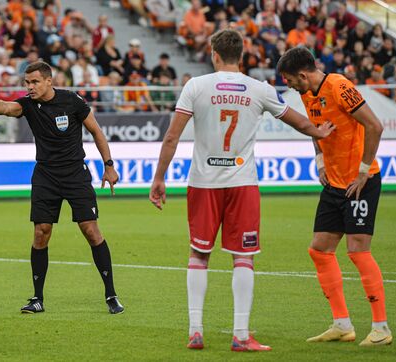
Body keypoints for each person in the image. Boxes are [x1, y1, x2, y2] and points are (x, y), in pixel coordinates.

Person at [149, 30, 334, 352]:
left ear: (214, 54)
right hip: (242, 182)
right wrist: (320, 130)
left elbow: (171, 138)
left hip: (203, 183)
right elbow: (299, 123)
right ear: (242, 55)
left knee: (198, 254)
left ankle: (195, 331)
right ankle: (241, 334)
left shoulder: (196, 86)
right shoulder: (259, 89)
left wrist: (159, 179)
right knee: (243, 257)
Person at [0, 60, 124, 315]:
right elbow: (8, 109)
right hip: (45, 176)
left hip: (76, 174)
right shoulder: (28, 105)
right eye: (27, 83)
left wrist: (109, 165)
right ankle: (37, 299)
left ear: (48, 81)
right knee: (41, 233)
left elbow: (97, 132)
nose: (30, 87)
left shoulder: (72, 101)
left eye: (34, 82)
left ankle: (111, 294)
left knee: (91, 230)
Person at [277, 46, 391, 346]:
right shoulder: (307, 93)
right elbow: (317, 129)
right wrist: (319, 161)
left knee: (357, 251)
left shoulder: (340, 86)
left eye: (289, 79)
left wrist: (364, 171)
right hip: (334, 184)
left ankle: (381, 328)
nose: (288, 85)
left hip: (359, 183)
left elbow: (375, 126)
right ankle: (342, 324)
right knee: (319, 250)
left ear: (302, 74)